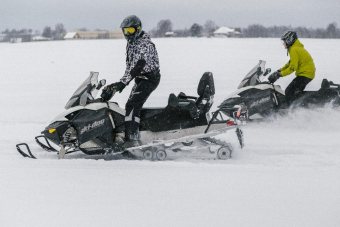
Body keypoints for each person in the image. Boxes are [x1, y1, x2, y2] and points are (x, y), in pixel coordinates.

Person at [101, 15, 161, 148]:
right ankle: (136, 130)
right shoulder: (132, 44)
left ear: (138, 28)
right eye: (125, 31)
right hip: (141, 78)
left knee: (133, 105)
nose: (127, 34)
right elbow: (130, 68)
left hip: (150, 78)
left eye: (130, 31)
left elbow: (138, 66)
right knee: (130, 104)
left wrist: (123, 83)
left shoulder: (145, 44)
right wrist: (118, 85)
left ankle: (132, 139)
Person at [268, 31, 316, 105]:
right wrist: (279, 71)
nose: (283, 44)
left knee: (289, 91)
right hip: (307, 73)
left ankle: (292, 111)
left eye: (284, 42)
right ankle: (299, 105)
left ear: (289, 40)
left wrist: (279, 75)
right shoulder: (295, 48)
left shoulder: (294, 49)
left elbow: (292, 68)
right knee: (296, 92)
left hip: (306, 74)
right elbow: (290, 63)